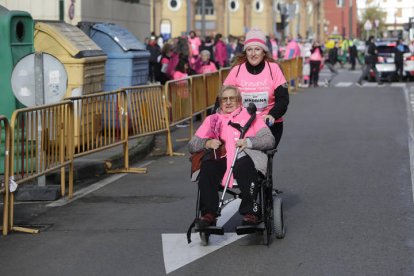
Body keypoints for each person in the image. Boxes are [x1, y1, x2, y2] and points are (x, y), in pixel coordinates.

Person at [188, 85, 275, 226]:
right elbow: (192, 145)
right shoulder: (212, 120)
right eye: (224, 99)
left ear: (239, 101)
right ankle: (209, 213)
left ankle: (250, 212)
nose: (228, 102)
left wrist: (248, 142)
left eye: (232, 99)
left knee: (244, 166)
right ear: (220, 102)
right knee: (207, 167)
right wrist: (207, 142)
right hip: (221, 159)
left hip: (244, 157)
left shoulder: (251, 117)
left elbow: (269, 140)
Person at [223, 27, 289, 148]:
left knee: (260, 158)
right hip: (242, 124)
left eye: (257, 49)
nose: (253, 54)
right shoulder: (236, 71)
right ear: (245, 52)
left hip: (268, 125)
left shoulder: (273, 69)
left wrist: (273, 115)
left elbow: (283, 99)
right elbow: (222, 98)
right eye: (250, 50)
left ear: (264, 52)